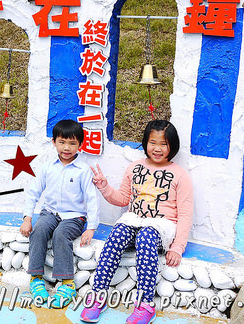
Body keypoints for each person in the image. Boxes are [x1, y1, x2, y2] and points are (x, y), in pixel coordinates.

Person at [80, 120, 193, 324]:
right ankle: (98, 295)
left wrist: (177, 247)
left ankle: (145, 304)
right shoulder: (135, 168)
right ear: (145, 143)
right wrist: (105, 187)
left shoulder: (180, 175)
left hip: (160, 226)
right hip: (135, 219)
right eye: (153, 142)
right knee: (117, 235)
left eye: (164, 144)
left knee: (145, 237)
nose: (157, 148)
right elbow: (123, 199)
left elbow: (185, 214)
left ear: (172, 146)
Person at [20, 119, 100, 308]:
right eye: (62, 142)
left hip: (74, 217)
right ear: (54, 142)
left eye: (72, 143)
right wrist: (27, 218)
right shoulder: (48, 167)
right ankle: (36, 279)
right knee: (38, 231)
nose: (67, 147)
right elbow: (33, 192)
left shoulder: (83, 170)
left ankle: (66, 283)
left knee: (60, 234)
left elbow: (91, 199)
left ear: (80, 145)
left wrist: (92, 228)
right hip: (50, 212)